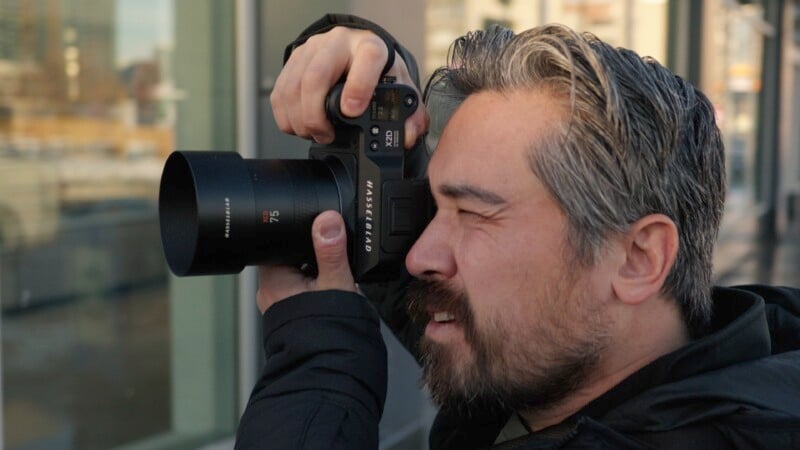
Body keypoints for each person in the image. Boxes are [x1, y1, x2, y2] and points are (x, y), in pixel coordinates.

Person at [235, 14, 800, 449]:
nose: (419, 255)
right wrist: (361, 66)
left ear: (637, 258)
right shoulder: (537, 368)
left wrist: (321, 377)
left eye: (475, 214)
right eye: (433, 205)